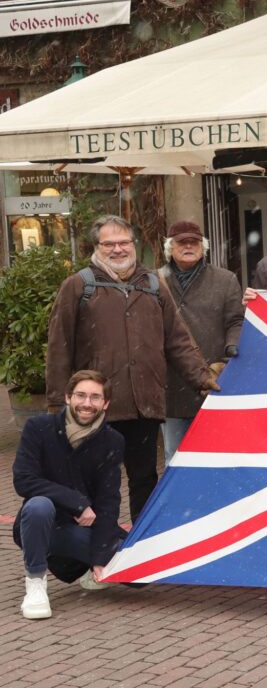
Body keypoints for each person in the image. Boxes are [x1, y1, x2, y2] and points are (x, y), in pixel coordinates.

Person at [46, 215, 219, 523]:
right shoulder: (78, 286)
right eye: (109, 244)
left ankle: (141, 552)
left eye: (124, 242)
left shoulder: (153, 285)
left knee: (145, 480)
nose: (118, 249)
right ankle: (98, 553)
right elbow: (59, 349)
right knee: (97, 484)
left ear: (133, 244)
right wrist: (58, 405)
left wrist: (205, 378)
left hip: (145, 404)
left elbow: (178, 340)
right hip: (96, 408)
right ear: (97, 246)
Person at [14, 371, 127, 619]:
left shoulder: (113, 441)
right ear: (67, 397)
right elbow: (24, 480)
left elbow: (109, 500)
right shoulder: (38, 428)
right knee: (38, 506)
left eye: (95, 397)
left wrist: (100, 556)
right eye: (81, 395)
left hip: (81, 529)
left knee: (133, 572)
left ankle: (87, 567)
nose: (87, 403)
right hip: (39, 524)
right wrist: (77, 503)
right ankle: (35, 584)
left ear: (105, 403)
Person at [160, 220, 244, 461]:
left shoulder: (225, 280)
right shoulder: (153, 281)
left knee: (216, 457)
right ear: (170, 248)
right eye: (181, 242)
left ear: (203, 246)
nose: (188, 246)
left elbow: (236, 321)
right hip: (172, 382)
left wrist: (231, 348)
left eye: (194, 242)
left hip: (213, 379)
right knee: (174, 458)